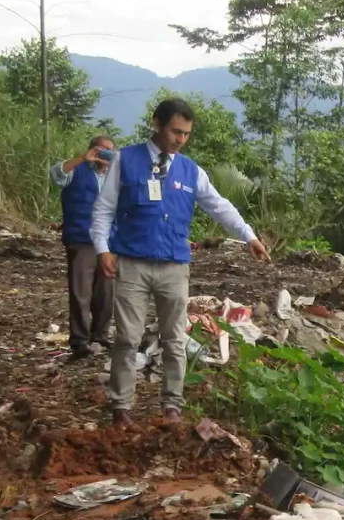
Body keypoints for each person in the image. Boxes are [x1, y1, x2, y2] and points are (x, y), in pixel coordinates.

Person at [91, 98, 270, 425]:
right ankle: (121, 407)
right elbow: (104, 208)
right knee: (127, 338)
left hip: (174, 266)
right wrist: (102, 248)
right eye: (176, 131)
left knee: (174, 338)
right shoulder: (125, 161)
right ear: (157, 124)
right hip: (131, 263)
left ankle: (172, 407)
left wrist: (249, 236)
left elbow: (219, 205)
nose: (180, 140)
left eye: (186, 134)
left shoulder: (191, 171)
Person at [48, 135, 116, 359]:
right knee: (81, 292)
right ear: (92, 149)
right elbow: (56, 174)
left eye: (109, 150)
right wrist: (81, 158)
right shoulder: (77, 170)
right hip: (81, 238)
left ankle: (100, 335)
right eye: (101, 149)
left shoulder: (114, 178)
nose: (105, 153)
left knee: (106, 292)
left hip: (107, 241)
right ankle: (79, 341)